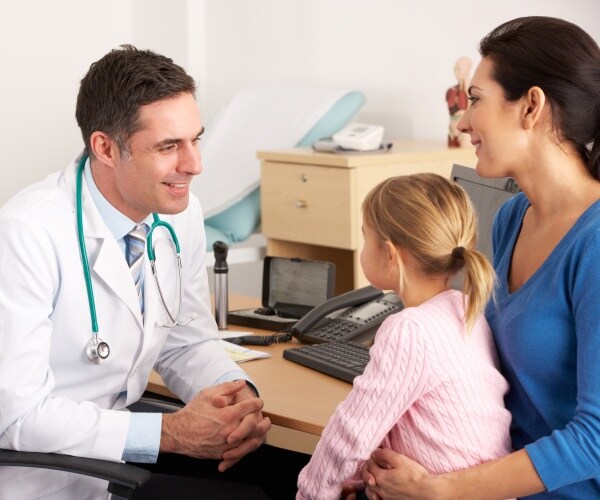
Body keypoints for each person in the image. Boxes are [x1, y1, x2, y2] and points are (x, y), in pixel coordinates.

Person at [0, 45, 308, 500]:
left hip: (116, 462)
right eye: (169, 146)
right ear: (105, 147)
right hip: (42, 479)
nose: (194, 165)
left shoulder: (178, 213)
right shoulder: (28, 232)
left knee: (293, 474)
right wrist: (172, 433)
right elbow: (18, 416)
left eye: (195, 139)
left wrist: (235, 394)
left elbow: (187, 341)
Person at [361, 16, 600, 499]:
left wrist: (442, 489)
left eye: (475, 100)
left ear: (531, 106)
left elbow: (595, 441)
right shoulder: (511, 217)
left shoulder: (593, 243)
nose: (464, 121)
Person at [296, 173, 512, 500]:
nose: (362, 245)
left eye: (365, 236)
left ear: (390, 255)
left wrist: (311, 496)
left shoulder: (409, 330)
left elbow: (348, 436)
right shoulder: (465, 309)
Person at [446, 56, 472, 148]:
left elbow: (472, 109)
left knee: (462, 159)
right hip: (452, 130)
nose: (456, 70)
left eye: (459, 68)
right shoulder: (451, 91)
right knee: (450, 160)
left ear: (466, 70)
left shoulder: (472, 91)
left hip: (464, 132)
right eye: (455, 68)